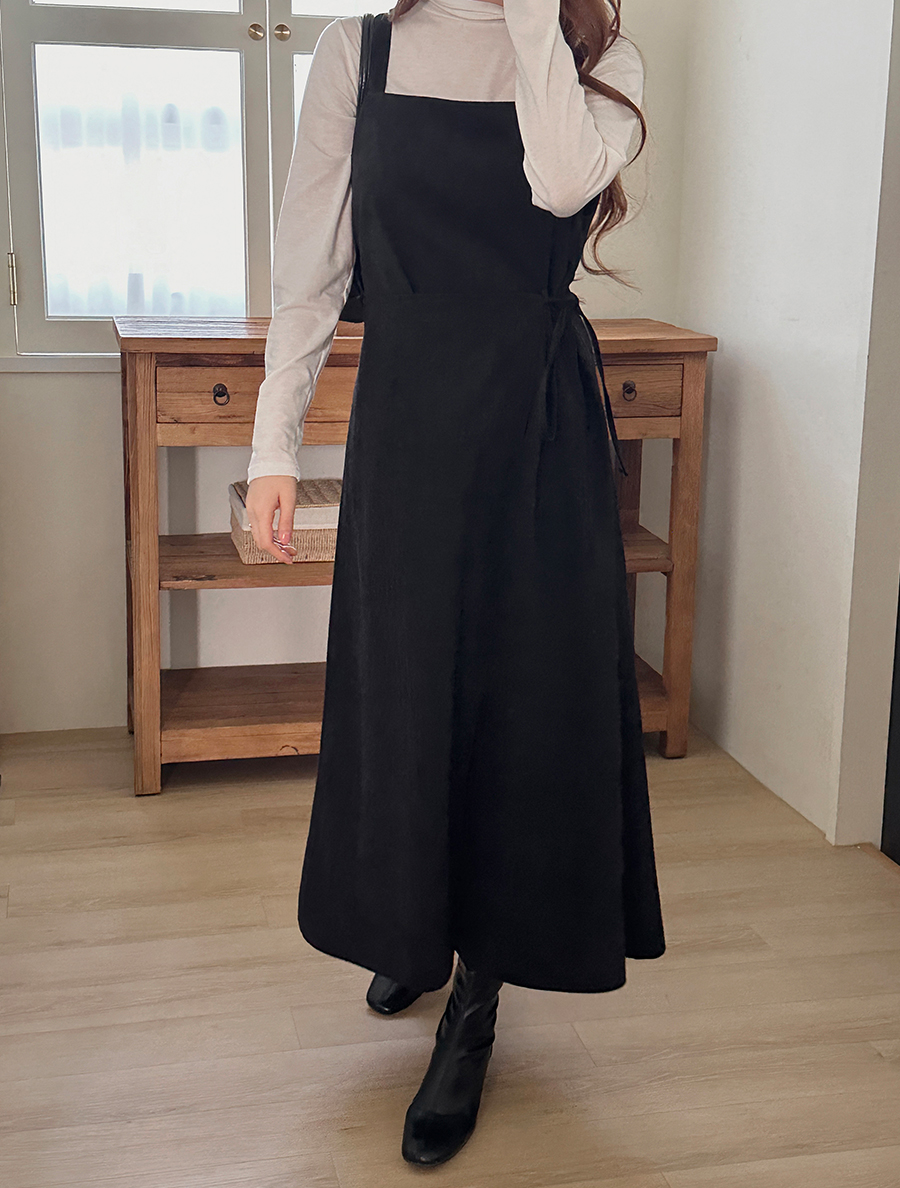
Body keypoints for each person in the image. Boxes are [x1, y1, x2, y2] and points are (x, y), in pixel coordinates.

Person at [246, 0, 666, 1167]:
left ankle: (479, 997)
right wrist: (274, 446)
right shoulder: (359, 50)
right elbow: (312, 263)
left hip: (539, 426)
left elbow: (560, 185)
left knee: (516, 705)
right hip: (409, 428)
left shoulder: (600, 55)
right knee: (405, 695)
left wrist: (533, 18)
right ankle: (413, 924)